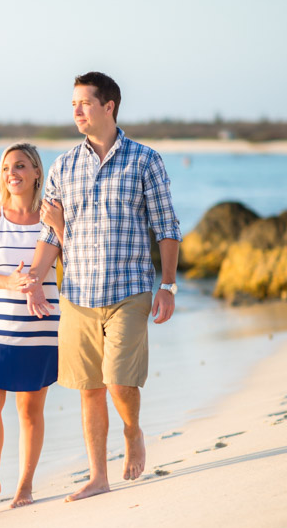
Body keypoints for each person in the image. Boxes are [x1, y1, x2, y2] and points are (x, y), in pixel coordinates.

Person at [25, 72, 182, 501]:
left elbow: (166, 226)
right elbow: (51, 235)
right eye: (73, 104)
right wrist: (36, 280)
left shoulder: (145, 160)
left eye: (84, 103)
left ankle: (132, 432)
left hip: (129, 289)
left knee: (118, 382)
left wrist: (168, 285)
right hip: (77, 294)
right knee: (89, 388)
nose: (76, 111)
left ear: (108, 106)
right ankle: (98, 476)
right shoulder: (63, 166)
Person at [0, 142, 61, 512]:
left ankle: (25, 484)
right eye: (6, 168)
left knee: (29, 411)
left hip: (39, 327)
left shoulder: (51, 217)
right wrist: (9, 283)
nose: (12, 174)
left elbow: (75, 256)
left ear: (37, 172)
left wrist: (60, 226)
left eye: (20, 166)